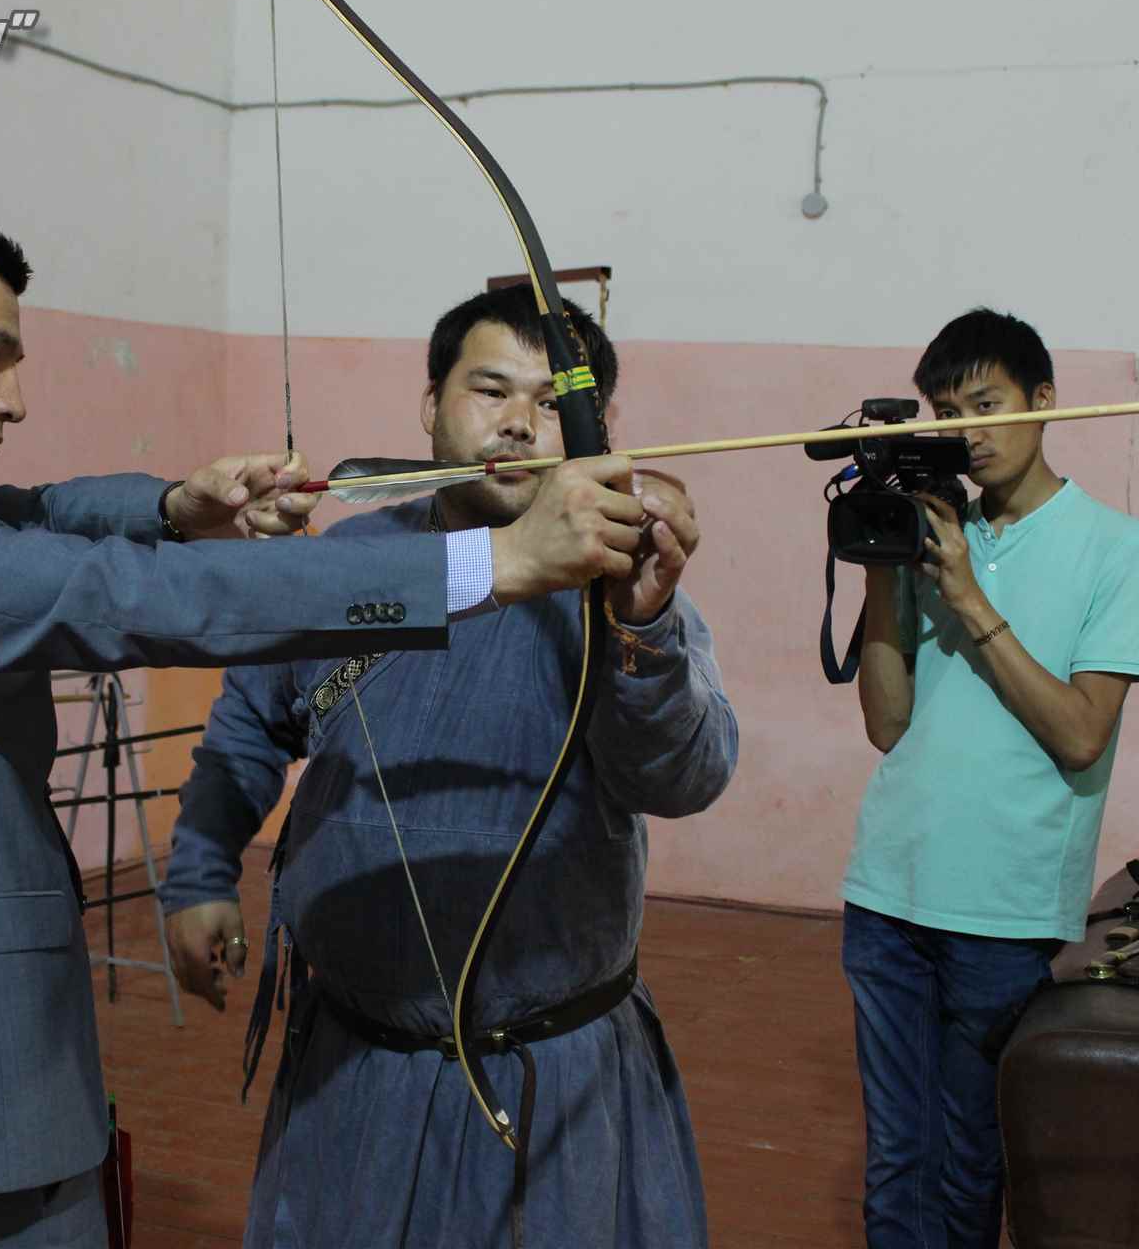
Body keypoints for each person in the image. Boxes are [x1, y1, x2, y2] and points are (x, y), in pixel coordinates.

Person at [0, 206, 645, 1248]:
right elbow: (133, 598)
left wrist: (175, 506)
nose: (14, 397)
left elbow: (32, 515)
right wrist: (498, 562)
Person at [159, 284, 738, 1248]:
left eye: (553, 402)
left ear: (592, 430)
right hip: (352, 1063)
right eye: (490, 389)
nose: (518, 423)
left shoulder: (617, 584)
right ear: (431, 406)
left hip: (550, 1074)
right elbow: (253, 722)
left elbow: (684, 777)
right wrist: (200, 871)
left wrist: (644, 624)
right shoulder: (354, 557)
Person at [843, 308, 1139, 1246]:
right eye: (947, 413)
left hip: (1006, 908)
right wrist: (884, 561)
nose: (969, 433)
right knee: (896, 1155)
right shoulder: (935, 531)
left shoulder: (1117, 547)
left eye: (987, 405)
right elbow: (886, 723)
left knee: (970, 1154)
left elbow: (1081, 734)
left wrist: (968, 598)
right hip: (888, 888)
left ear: (1045, 400)